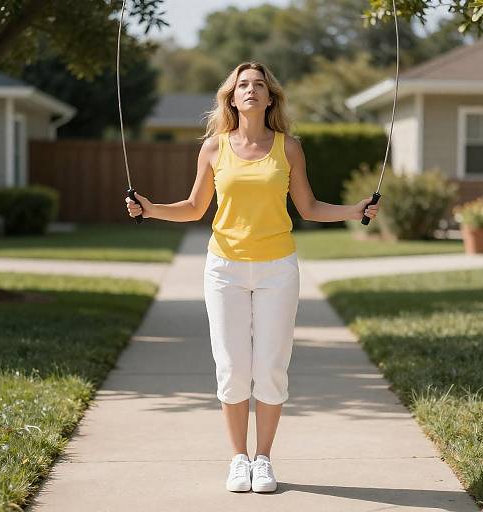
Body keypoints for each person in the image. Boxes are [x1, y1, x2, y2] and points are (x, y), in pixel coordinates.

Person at [126, 61, 380, 494]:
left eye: (258, 85)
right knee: (231, 368)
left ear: (269, 97)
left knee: (270, 367)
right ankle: (237, 459)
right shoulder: (212, 147)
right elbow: (193, 207)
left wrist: (353, 211)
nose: (250, 90)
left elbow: (309, 207)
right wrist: (150, 209)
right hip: (223, 268)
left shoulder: (289, 147)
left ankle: (263, 459)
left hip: (277, 268)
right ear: (231, 97)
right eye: (242, 84)